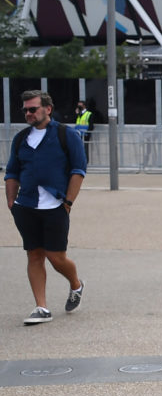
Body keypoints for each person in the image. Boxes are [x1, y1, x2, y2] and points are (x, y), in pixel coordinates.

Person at [6, 90, 87, 327]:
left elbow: (78, 170)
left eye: (33, 109)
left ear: (47, 109)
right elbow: (11, 172)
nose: (28, 114)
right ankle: (41, 307)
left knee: (56, 257)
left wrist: (68, 203)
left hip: (55, 205)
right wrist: (11, 201)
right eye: (25, 110)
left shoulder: (65, 135)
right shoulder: (21, 139)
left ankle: (76, 284)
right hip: (26, 205)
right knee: (34, 254)